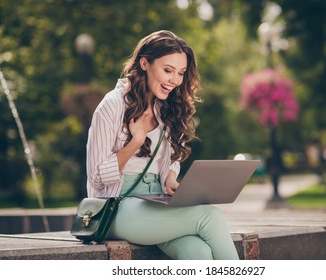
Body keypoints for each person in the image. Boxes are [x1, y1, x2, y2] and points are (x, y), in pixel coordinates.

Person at [86, 30, 239, 260]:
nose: (175, 81)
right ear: (145, 63)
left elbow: (171, 158)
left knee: (198, 252)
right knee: (210, 217)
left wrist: (169, 176)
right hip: (115, 207)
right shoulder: (112, 105)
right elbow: (96, 176)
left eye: (180, 73)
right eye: (168, 71)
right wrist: (135, 141)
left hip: (156, 202)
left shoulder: (166, 107)